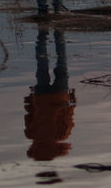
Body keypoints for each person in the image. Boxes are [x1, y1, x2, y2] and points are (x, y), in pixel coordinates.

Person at [23, 29, 76, 160]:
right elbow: (29, 113)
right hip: (40, 98)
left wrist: (72, 100)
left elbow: (67, 115)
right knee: (41, 63)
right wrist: (30, 97)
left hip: (60, 96)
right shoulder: (31, 134)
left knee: (62, 62)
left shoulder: (61, 136)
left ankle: (59, 33)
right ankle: (42, 33)